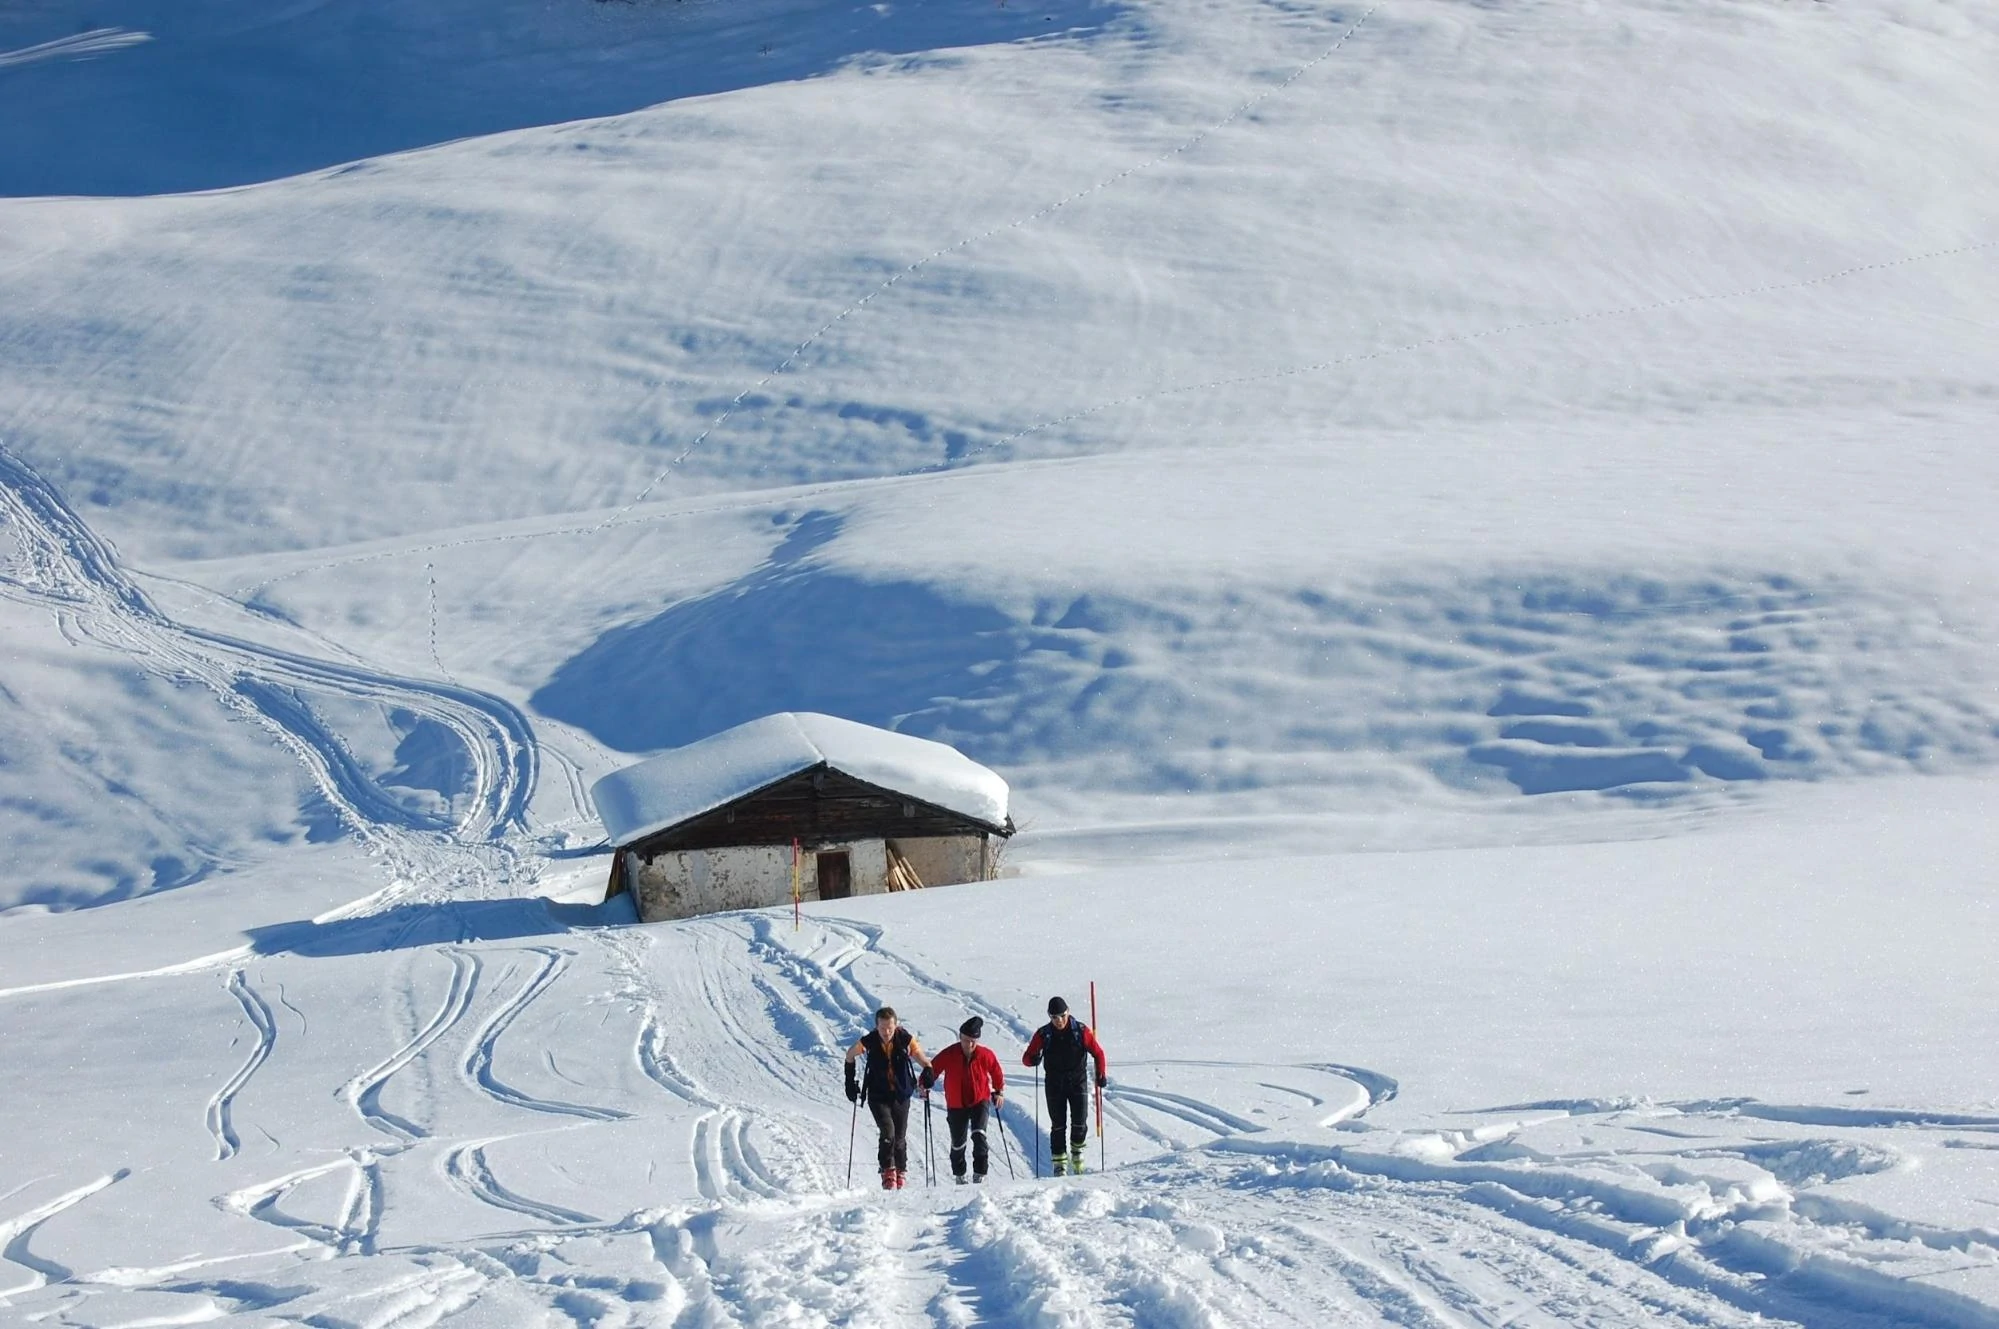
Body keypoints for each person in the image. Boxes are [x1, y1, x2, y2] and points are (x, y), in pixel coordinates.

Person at [845, 1006, 932, 1189]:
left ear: (896, 1025)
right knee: (888, 1131)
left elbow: (921, 1058)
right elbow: (850, 1055)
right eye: (882, 1028)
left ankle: (900, 1170)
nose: (886, 1032)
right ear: (876, 1026)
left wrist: (928, 1070)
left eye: (890, 1028)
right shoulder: (869, 1040)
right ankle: (887, 1170)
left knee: (899, 1137)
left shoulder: (905, 1039)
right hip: (878, 1095)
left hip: (901, 1094)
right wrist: (850, 1082)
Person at [1022, 996, 1107, 1175]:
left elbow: (1098, 1053)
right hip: (1054, 1084)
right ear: (1049, 1017)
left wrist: (1101, 1074)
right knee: (1058, 1125)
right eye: (1054, 1017)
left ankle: (1077, 1153)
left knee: (1080, 1122)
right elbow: (1027, 1058)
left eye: (1062, 1015)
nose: (1059, 1020)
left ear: (1068, 1012)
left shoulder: (1081, 1031)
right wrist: (1033, 1059)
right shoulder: (1043, 1034)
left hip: (1078, 1082)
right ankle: (1059, 1163)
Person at [920, 1016, 1006, 1184]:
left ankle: (980, 1173)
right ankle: (960, 1175)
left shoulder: (985, 1054)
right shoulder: (950, 1053)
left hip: (979, 1100)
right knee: (958, 1143)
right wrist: (925, 1083)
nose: (969, 1044)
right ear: (960, 1037)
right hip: (956, 1103)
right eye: (966, 1040)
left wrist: (999, 1091)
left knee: (979, 1135)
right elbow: (932, 1069)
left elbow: (996, 1072)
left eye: (973, 1041)